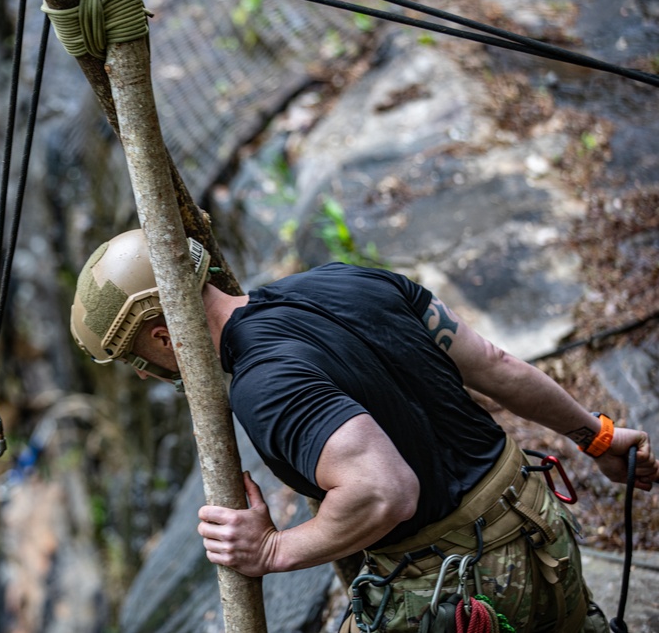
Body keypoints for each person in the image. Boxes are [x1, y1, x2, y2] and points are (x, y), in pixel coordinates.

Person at [69, 228, 658, 632]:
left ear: (164, 339)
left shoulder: (261, 385)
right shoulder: (345, 281)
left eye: (140, 360)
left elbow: (383, 490)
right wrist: (597, 437)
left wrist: (273, 550)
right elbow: (498, 367)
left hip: (463, 587)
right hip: (540, 526)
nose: (151, 373)